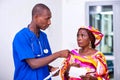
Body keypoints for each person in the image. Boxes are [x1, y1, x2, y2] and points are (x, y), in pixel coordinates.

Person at [12, 3, 69, 80]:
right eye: (47, 18)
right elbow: (33, 64)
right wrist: (58, 54)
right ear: (36, 17)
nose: (49, 22)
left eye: (50, 19)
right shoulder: (21, 37)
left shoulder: (43, 36)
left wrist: (50, 69)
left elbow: (42, 60)